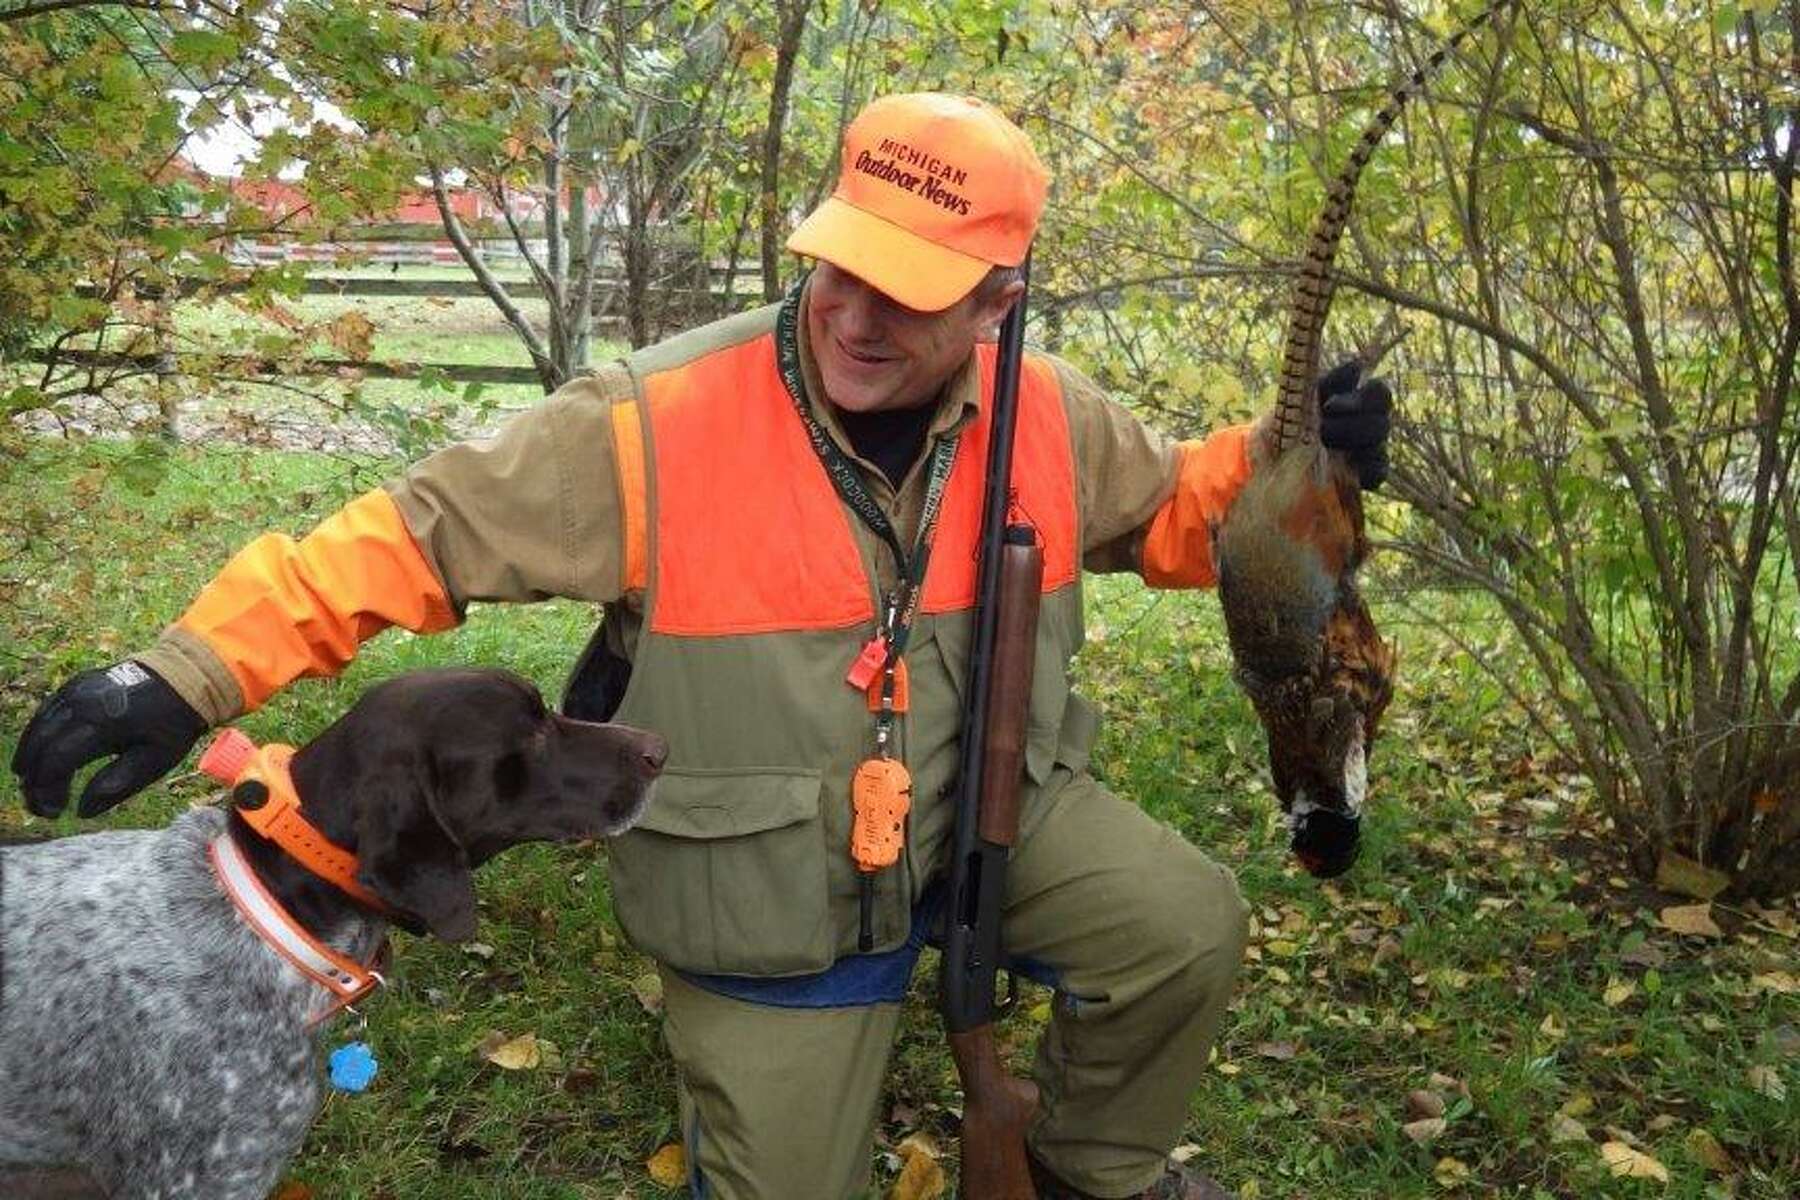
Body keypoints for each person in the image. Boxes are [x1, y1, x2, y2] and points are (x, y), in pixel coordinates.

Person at [12, 93, 1392, 1200]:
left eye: (910, 291)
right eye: (840, 267)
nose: (855, 314)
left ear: (999, 296)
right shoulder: (652, 422)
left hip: (991, 814)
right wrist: (184, 674)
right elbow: (409, 536)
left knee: (1183, 928)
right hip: (767, 877)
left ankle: (1087, 1170)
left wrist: (1290, 467)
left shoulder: (1047, 412)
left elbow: (1172, 514)